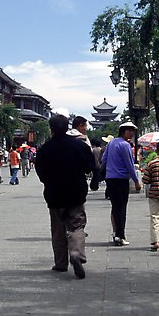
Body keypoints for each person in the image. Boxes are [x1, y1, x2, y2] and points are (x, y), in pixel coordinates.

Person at [35, 114, 95, 279]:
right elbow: (89, 167)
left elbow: (41, 174)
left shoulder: (44, 150)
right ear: (68, 126)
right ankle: (76, 253)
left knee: (58, 229)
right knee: (76, 225)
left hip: (54, 195)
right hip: (76, 193)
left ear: (51, 129)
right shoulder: (79, 146)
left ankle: (61, 263)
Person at [100, 121, 142, 246]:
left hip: (110, 179)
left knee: (115, 206)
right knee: (122, 207)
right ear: (124, 131)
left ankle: (116, 233)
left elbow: (104, 159)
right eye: (130, 131)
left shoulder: (112, 143)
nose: (132, 134)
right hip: (121, 179)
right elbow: (130, 165)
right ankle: (120, 235)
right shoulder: (125, 145)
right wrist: (136, 181)